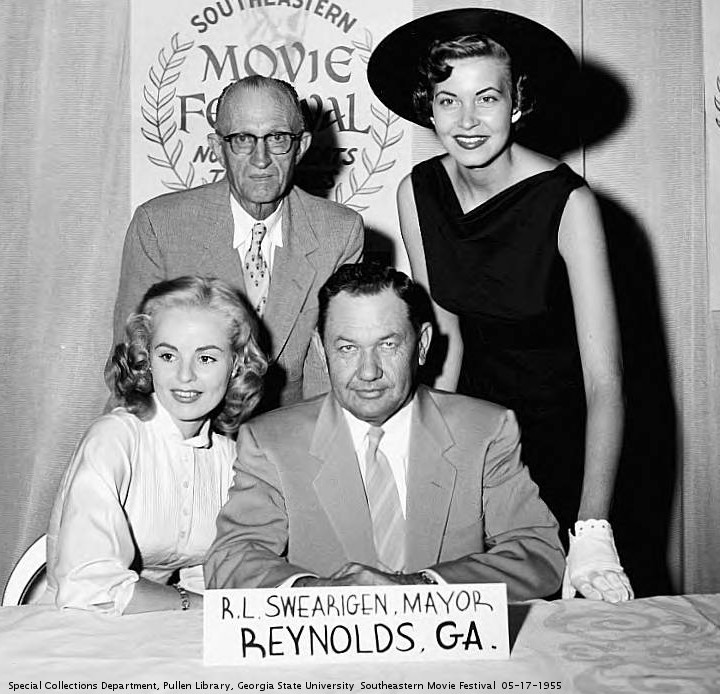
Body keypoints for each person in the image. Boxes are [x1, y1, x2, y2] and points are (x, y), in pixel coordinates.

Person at [366, 9, 632, 602]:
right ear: (428, 107)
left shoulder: (568, 202)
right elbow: (445, 342)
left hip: (567, 439)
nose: (466, 121)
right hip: (476, 434)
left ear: (517, 103)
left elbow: (606, 381)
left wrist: (593, 526)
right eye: (448, 100)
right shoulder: (418, 191)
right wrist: (426, 453)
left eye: (486, 98)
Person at [205, 263, 564, 601]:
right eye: (347, 348)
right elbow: (232, 559)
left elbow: (538, 552)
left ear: (422, 345)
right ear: (321, 350)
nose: (368, 372)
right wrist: (321, 594)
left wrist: (419, 587)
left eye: (388, 345)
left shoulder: (485, 431)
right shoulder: (271, 443)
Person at [113, 75, 363, 409]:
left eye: (277, 138)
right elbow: (135, 369)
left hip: (287, 427)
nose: (261, 159)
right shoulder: (158, 226)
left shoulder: (339, 232)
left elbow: (326, 379)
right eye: (243, 139)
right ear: (218, 148)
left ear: (301, 146)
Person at [46, 276, 268, 614]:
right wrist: (202, 607)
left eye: (206, 359)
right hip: (78, 626)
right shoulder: (113, 439)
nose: (185, 376)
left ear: (236, 364)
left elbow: (211, 579)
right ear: (145, 358)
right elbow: (89, 588)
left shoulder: (230, 457)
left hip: (165, 628)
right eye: (168, 356)